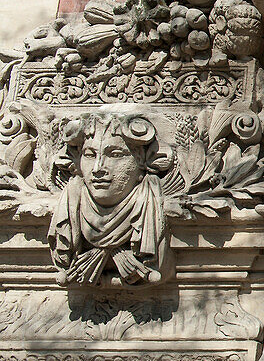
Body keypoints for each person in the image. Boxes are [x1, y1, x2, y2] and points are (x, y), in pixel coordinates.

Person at [48, 108, 172, 288]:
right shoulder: (72, 200)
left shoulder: (148, 198)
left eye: (115, 155)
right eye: (89, 155)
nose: (98, 168)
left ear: (143, 162)